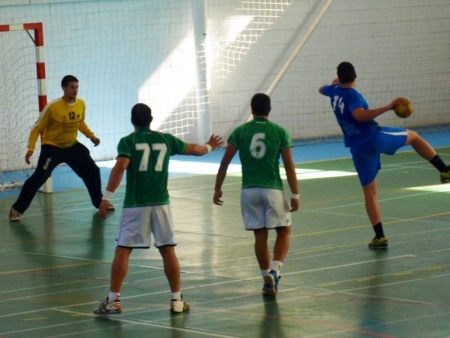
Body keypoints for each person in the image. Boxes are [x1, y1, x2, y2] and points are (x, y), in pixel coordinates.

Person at [94, 103, 223, 315]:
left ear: (132, 120)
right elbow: (197, 150)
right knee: (167, 249)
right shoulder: (165, 139)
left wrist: (106, 197)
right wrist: (210, 145)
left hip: (136, 204)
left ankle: (113, 300)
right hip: (162, 203)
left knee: (123, 249)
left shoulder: (128, 141)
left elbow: (120, 166)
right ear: (151, 119)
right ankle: (177, 300)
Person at [319, 61, 450, 249]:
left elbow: (321, 88)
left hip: (358, 148)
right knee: (413, 136)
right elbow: (360, 115)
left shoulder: (333, 91)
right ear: (355, 76)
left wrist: (334, 84)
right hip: (374, 137)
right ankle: (444, 170)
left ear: (339, 78)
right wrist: (388, 107)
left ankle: (379, 237)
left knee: (370, 193)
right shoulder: (352, 95)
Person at [213, 93, 299, 297]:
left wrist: (217, 188)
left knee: (260, 234)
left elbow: (224, 162)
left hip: (249, 190)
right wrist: (295, 193)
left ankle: (265, 279)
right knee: (284, 230)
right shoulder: (279, 132)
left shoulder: (241, 131)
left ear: (252, 109)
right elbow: (289, 165)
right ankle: (275, 270)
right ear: (269, 109)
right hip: (272, 190)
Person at [9, 75, 114, 222]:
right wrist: (30, 149)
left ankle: (99, 202)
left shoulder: (81, 104)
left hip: (72, 146)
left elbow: (80, 123)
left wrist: (92, 137)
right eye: (71, 87)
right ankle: (16, 209)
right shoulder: (52, 107)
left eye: (77, 87)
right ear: (64, 88)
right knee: (40, 177)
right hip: (52, 148)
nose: (75, 90)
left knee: (93, 170)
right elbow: (36, 128)